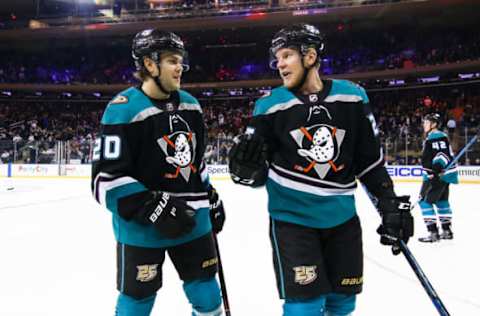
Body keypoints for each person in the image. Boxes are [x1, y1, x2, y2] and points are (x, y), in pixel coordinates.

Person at [228, 24, 414, 316]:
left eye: (287, 55)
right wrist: (245, 171)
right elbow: (255, 172)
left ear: (311, 56)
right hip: (293, 222)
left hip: (342, 220)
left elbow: (370, 161)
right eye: (277, 58)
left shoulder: (353, 97)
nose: (279, 64)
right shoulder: (269, 105)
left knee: (342, 304)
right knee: (304, 308)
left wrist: (389, 202)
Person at [91, 28, 226, 316]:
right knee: (137, 303)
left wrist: (210, 195)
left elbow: (195, 163)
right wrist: (155, 207)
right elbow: (105, 180)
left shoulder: (191, 105)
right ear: (150, 64)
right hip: (142, 230)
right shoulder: (121, 110)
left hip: (193, 222)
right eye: (172, 61)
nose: (181, 68)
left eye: (181, 60)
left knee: (208, 296)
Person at [418, 113, 458, 242]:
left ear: (433, 124)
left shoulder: (436, 137)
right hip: (444, 175)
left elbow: (441, 155)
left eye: (426, 122)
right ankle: (447, 231)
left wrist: (434, 171)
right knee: (442, 201)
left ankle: (433, 233)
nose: (424, 124)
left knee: (424, 202)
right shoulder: (440, 136)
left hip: (435, 175)